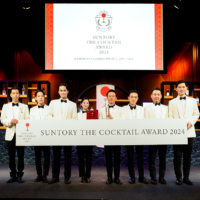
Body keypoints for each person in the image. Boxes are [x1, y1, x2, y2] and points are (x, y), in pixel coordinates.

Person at [168, 80, 199, 185]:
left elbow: (196, 114)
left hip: (189, 132)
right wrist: (176, 125)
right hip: (177, 133)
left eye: (183, 87)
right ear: (176, 89)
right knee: (177, 156)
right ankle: (178, 177)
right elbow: (170, 117)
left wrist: (191, 122)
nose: (181, 89)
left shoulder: (193, 101)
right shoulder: (171, 102)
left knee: (187, 157)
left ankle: (186, 177)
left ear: (186, 88)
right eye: (179, 87)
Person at [46, 83, 77, 184]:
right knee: (56, 156)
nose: (63, 92)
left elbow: (75, 119)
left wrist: (67, 125)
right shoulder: (53, 103)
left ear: (68, 91)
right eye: (61, 90)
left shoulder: (73, 104)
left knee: (68, 156)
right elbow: (48, 116)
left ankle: (67, 177)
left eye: (65, 90)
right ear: (58, 92)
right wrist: (57, 123)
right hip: (56, 132)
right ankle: (55, 177)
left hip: (68, 133)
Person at [1, 86, 30, 183]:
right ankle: (12, 175)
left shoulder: (25, 106)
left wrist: (20, 121)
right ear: (10, 94)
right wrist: (10, 121)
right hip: (10, 134)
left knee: (21, 156)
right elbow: (2, 119)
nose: (15, 94)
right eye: (13, 93)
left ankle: (20, 175)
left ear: (20, 94)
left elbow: (28, 119)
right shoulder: (5, 106)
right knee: (11, 156)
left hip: (21, 134)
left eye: (17, 93)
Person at [121, 89, 149, 184]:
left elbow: (145, 122)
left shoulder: (142, 109)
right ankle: (132, 177)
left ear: (138, 98)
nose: (133, 99)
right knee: (130, 157)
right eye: (131, 97)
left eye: (135, 97)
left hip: (139, 136)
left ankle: (142, 177)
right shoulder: (123, 109)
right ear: (128, 98)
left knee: (140, 158)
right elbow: (123, 122)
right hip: (128, 136)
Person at [144, 87, 168, 185]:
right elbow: (145, 122)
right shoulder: (147, 108)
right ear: (151, 96)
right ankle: (153, 178)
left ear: (161, 96)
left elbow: (169, 121)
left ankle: (162, 178)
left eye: (158, 94)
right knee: (152, 159)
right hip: (152, 137)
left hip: (163, 137)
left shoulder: (166, 108)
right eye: (155, 94)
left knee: (163, 159)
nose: (156, 96)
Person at [98, 89, 122, 184]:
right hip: (107, 137)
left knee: (117, 159)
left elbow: (122, 123)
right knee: (108, 159)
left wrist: (112, 119)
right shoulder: (101, 109)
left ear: (116, 98)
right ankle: (109, 177)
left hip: (117, 137)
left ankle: (117, 177)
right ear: (107, 98)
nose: (111, 97)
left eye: (113, 96)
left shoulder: (121, 109)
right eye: (109, 96)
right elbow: (99, 124)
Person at [30, 90, 50, 183]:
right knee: (37, 157)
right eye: (39, 96)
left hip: (46, 136)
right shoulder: (32, 110)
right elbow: (31, 123)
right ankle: (39, 175)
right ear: (36, 98)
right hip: (36, 136)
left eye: (42, 96)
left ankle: (45, 175)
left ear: (44, 97)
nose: (41, 97)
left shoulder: (49, 109)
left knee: (46, 157)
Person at [77, 97, 93, 183]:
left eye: (87, 103)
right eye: (84, 102)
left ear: (89, 104)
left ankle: (88, 176)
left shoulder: (92, 114)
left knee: (88, 158)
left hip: (89, 139)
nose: (86, 104)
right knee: (81, 158)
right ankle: (82, 176)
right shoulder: (77, 115)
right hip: (80, 139)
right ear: (81, 104)